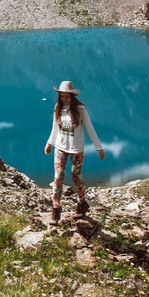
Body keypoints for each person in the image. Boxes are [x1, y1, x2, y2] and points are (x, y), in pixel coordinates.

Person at [44, 80, 104, 223]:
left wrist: (98, 147)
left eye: (67, 96)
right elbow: (55, 128)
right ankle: (56, 209)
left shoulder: (80, 109)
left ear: (72, 96)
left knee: (75, 177)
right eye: (62, 96)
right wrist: (49, 143)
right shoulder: (58, 107)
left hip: (76, 148)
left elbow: (90, 128)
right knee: (58, 177)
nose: (65, 99)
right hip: (60, 147)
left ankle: (82, 202)